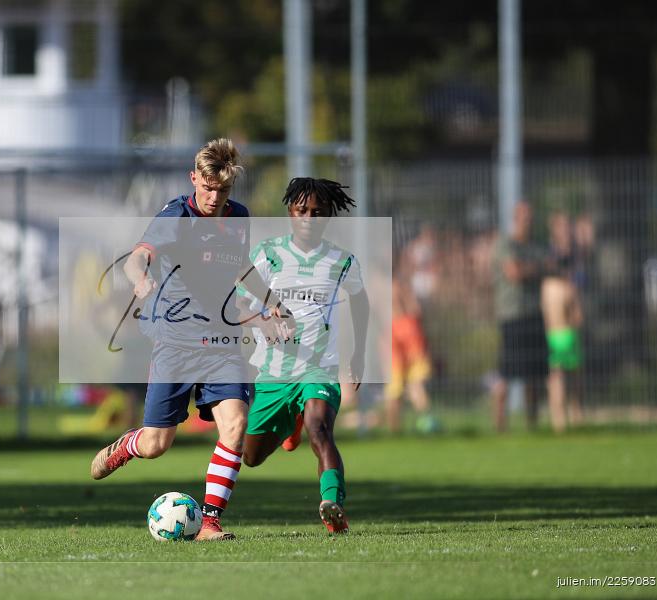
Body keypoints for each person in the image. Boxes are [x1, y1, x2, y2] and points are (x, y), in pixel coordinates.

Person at [89, 139, 290, 541]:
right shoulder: (175, 215)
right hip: (175, 343)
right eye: (208, 188)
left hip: (222, 340)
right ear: (193, 178)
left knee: (234, 425)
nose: (215, 198)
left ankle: (210, 521)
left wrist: (270, 304)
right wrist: (141, 279)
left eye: (224, 191)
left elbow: (241, 267)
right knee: (156, 445)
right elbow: (136, 257)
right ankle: (128, 446)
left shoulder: (239, 217)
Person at [240, 178, 369, 534]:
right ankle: (290, 424)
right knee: (250, 457)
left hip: (319, 369)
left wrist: (358, 353)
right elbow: (237, 303)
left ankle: (334, 507)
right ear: (290, 212)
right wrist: (263, 321)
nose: (309, 218)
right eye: (302, 210)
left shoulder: (341, 261)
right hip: (275, 371)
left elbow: (360, 301)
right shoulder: (267, 254)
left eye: (318, 212)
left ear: (328, 217)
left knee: (320, 430)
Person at [492, 202, 552, 432]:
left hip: (534, 314)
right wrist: (537, 267)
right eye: (524, 217)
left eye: (531, 217)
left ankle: (532, 427)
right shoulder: (505, 245)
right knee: (506, 373)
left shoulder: (536, 246)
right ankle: (500, 428)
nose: (529, 221)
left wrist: (532, 267)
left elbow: (550, 265)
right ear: (515, 218)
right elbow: (514, 272)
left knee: (534, 376)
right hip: (512, 316)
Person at [384, 263, 437, 434]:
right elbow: (416, 310)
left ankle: (394, 430)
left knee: (395, 387)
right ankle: (426, 420)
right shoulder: (402, 285)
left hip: (392, 331)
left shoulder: (379, 286)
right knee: (416, 382)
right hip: (408, 329)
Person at [541, 269, 584, 432]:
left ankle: (557, 421)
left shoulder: (545, 288)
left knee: (555, 380)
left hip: (552, 336)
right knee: (574, 380)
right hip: (569, 335)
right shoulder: (569, 288)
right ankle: (576, 417)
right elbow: (578, 317)